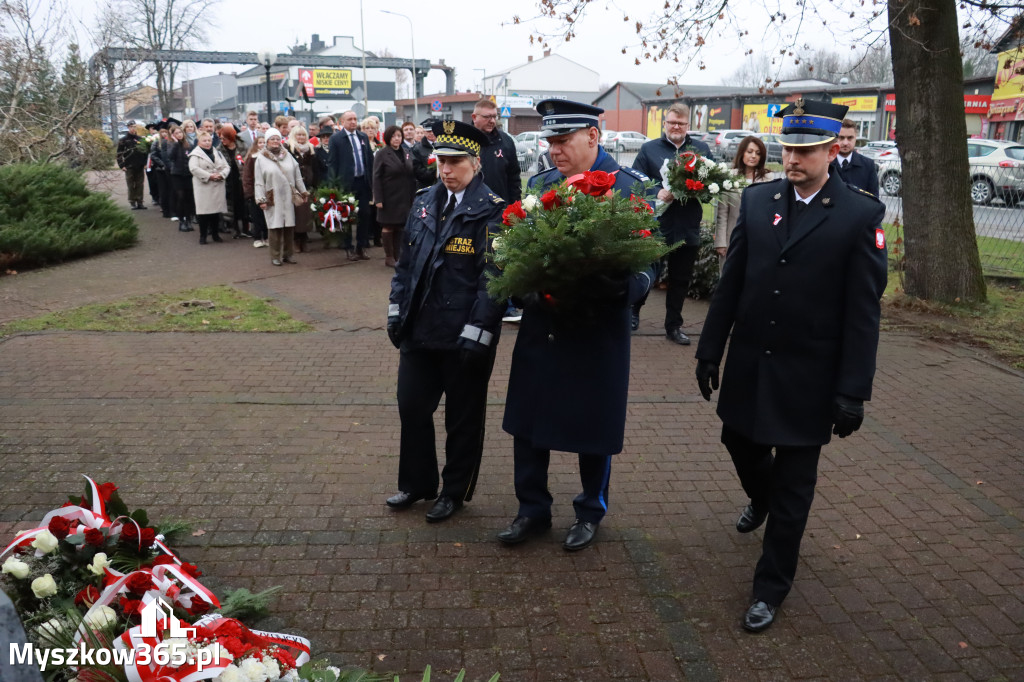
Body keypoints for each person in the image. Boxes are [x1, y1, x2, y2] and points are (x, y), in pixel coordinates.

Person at [694, 99, 888, 633]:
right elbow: (731, 281)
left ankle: (770, 587)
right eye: (789, 149)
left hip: (810, 374)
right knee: (739, 441)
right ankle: (762, 497)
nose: (794, 159)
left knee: (797, 485)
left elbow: (863, 314)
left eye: (805, 151)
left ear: (832, 149)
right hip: (753, 361)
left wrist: (854, 389)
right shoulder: (759, 202)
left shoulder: (859, 213)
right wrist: (710, 348)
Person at [498, 99, 654, 552]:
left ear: (593, 136)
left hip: (595, 329)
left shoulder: (629, 188)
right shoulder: (540, 183)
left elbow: (650, 263)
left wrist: (621, 290)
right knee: (528, 419)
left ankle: (590, 510)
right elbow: (515, 247)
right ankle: (532, 509)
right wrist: (520, 287)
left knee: (593, 424)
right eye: (549, 142)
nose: (554, 151)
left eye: (562, 141)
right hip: (543, 325)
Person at [385, 120, 505, 523]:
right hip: (419, 330)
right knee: (412, 408)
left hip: (463, 335)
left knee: (463, 419)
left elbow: (495, 279)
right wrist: (395, 310)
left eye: (454, 162)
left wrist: (479, 332)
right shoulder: (423, 202)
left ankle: (454, 491)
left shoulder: (493, 210)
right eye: (440, 162)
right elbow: (404, 266)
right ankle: (418, 483)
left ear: (475, 163)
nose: (446, 170)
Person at [631, 102, 712, 343]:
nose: (676, 127)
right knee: (647, 272)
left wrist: (697, 189)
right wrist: (657, 192)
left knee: (680, 279)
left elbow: (710, 187)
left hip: (688, 225)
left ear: (688, 125)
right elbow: (636, 182)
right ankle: (634, 312)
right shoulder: (649, 149)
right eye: (672, 122)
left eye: (681, 123)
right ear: (664, 124)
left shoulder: (701, 150)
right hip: (656, 225)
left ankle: (673, 327)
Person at [714, 135, 776, 269]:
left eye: (758, 153)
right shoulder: (729, 177)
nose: (753, 156)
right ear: (742, 152)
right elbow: (722, 213)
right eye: (750, 151)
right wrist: (721, 242)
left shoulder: (768, 178)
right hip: (732, 238)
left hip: (759, 239)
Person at [255, 128, 308, 266]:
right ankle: (275, 256)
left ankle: (288, 254)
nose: (275, 141)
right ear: (267, 141)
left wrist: (303, 192)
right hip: (272, 196)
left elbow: (297, 176)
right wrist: (261, 199)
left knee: (289, 226)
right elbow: (259, 181)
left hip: (288, 196)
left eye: (277, 139)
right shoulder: (260, 158)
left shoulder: (287, 155)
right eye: (272, 139)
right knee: (274, 227)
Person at [327, 110, 375, 260]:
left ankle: (361, 246)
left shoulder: (363, 137)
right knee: (346, 215)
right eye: (350, 119)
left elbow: (369, 159)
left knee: (365, 214)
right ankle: (348, 247)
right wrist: (333, 184)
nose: (353, 122)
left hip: (363, 181)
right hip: (346, 183)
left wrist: (372, 182)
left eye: (355, 119)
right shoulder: (336, 139)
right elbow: (332, 163)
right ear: (342, 122)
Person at [372, 125, 416, 267]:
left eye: (399, 136)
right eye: (393, 136)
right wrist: (378, 199)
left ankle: (398, 255)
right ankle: (389, 256)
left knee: (400, 226)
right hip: (388, 195)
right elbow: (376, 177)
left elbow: (411, 173)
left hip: (404, 196)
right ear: (387, 138)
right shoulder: (382, 154)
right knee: (388, 226)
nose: (397, 139)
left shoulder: (406, 152)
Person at [471, 98, 521, 205]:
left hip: (499, 208)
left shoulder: (506, 141)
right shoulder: (463, 140)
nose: (492, 121)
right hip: (469, 208)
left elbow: (514, 178)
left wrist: (515, 207)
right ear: (474, 117)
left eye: (494, 116)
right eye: (487, 117)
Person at [187, 131, 230, 245]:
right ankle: (203, 236)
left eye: (209, 140)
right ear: (199, 142)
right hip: (204, 187)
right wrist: (209, 176)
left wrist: (222, 175)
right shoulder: (195, 154)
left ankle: (216, 235)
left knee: (216, 213)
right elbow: (193, 168)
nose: (207, 143)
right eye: (204, 141)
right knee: (203, 214)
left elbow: (226, 166)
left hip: (217, 185)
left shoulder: (217, 152)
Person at [287, 125, 319, 252]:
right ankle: (296, 239)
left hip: (308, 186)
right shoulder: (288, 149)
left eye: (303, 135)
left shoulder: (311, 150)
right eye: (298, 135)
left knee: (306, 215)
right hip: (294, 186)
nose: (301, 137)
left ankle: (304, 238)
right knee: (296, 214)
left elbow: (315, 169)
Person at [832, 119, 880, 196]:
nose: (845, 143)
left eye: (850, 138)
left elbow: (874, 199)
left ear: (855, 138)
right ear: (835, 138)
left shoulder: (868, 166)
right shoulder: (825, 164)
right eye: (841, 137)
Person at [219, 126, 251, 239]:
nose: (222, 141)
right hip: (229, 180)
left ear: (231, 137)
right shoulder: (220, 150)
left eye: (224, 138)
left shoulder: (242, 146)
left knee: (245, 205)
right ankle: (236, 229)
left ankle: (246, 229)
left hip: (242, 178)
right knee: (232, 205)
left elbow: (248, 160)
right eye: (221, 139)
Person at [242, 133, 269, 248]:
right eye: (260, 142)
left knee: (267, 217)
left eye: (264, 142)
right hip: (254, 191)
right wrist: (249, 193)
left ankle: (267, 237)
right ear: (256, 145)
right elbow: (247, 176)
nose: (262, 144)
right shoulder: (252, 158)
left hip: (267, 190)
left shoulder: (270, 156)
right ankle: (257, 238)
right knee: (256, 216)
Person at [167, 126, 195, 232]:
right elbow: (170, 157)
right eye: (176, 133)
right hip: (177, 175)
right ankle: (181, 221)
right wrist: (175, 143)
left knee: (188, 198)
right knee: (181, 197)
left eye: (180, 132)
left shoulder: (188, 145)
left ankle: (188, 220)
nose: (179, 135)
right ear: (173, 135)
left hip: (187, 174)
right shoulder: (170, 144)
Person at [116, 121, 148, 210]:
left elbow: (144, 152)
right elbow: (119, 154)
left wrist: (145, 163)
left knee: (140, 184)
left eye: (134, 126)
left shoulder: (140, 139)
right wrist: (121, 165)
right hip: (129, 165)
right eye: (131, 127)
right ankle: (132, 202)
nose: (133, 128)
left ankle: (140, 201)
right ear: (128, 127)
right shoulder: (123, 140)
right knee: (130, 185)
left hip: (139, 165)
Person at [411, 119, 438, 190]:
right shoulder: (417, 148)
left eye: (433, 131)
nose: (431, 133)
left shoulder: (443, 145)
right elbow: (417, 169)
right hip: (425, 186)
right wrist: (434, 174)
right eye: (429, 131)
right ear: (424, 132)